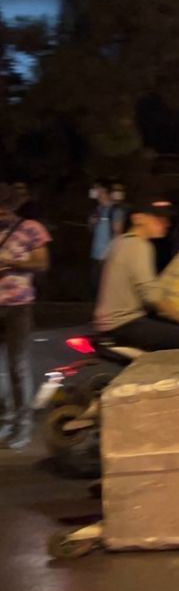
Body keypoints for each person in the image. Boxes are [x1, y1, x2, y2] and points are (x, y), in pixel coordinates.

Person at [94, 198, 179, 352]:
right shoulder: (139, 245)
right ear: (138, 219)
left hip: (112, 323)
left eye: (166, 219)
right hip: (125, 324)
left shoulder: (119, 242)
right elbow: (151, 295)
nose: (166, 224)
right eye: (158, 219)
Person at [0, 184, 52, 449]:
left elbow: (42, 263)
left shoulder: (31, 228)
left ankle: (24, 425)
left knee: (17, 366)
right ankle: (6, 422)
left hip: (19, 304)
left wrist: (12, 263)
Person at [89, 179, 126, 293]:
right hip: (96, 255)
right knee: (97, 288)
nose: (96, 193)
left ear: (105, 192)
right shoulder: (98, 210)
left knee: (107, 289)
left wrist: (113, 255)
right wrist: (92, 223)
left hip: (108, 256)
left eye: (98, 190)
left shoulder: (115, 210)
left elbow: (117, 233)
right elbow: (92, 230)